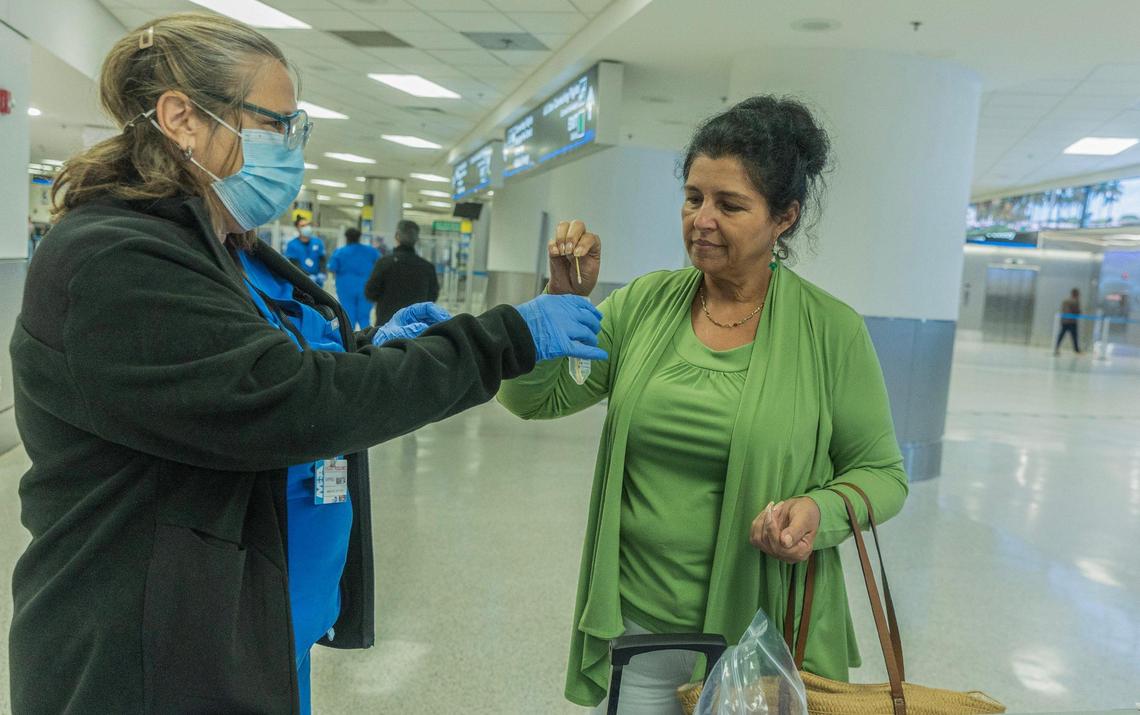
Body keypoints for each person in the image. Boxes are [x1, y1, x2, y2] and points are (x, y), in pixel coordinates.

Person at [7, 13, 606, 714]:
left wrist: (371, 352)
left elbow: (253, 361)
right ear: (182, 119)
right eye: (275, 124)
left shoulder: (225, 247)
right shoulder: (114, 258)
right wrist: (505, 337)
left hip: (255, 628)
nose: (290, 148)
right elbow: (284, 399)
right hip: (152, 653)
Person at [498, 96, 909, 712]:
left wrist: (817, 511)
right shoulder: (643, 304)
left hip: (761, 637)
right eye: (693, 198)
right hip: (640, 624)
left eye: (730, 204)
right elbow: (534, 399)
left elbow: (884, 475)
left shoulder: (832, 331)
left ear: (785, 218)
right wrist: (559, 306)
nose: (702, 220)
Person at [365, 219, 440, 324]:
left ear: (397, 236)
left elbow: (370, 293)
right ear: (416, 240)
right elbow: (432, 296)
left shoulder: (384, 263)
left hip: (387, 326)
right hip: (416, 328)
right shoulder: (427, 267)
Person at [328, 227, 381, 329]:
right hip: (366, 287)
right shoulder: (371, 251)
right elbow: (380, 265)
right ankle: (367, 341)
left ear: (346, 238)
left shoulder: (340, 252)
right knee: (364, 317)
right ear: (359, 237)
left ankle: (350, 342)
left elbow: (332, 268)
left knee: (348, 317)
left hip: (346, 288)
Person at [285, 215, 327, 287]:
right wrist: (307, 276)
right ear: (297, 228)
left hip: (318, 282)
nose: (306, 227)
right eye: (303, 226)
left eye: (307, 225)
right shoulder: (292, 245)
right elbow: (294, 265)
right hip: (300, 282)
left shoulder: (317, 242)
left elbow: (322, 260)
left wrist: (322, 273)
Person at [1054, 287, 1082, 355]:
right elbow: (1072, 311)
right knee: (1067, 335)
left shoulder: (1069, 301)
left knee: (1071, 336)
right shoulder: (1071, 301)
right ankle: (1057, 348)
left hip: (1067, 321)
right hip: (1070, 321)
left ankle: (1076, 349)